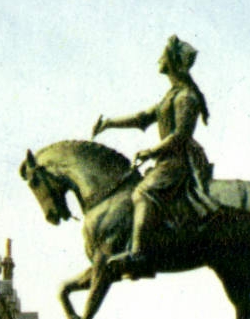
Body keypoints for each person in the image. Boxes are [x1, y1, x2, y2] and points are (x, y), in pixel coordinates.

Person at [91, 35, 218, 276]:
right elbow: (142, 118)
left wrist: (151, 151)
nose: (159, 59)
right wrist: (109, 123)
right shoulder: (171, 95)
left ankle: (138, 254)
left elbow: (180, 136)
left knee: (142, 192)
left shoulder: (186, 97)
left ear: (171, 61)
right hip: (166, 160)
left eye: (163, 55)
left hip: (179, 162)